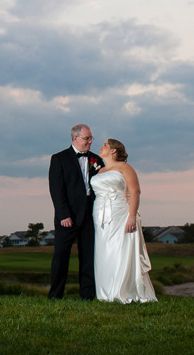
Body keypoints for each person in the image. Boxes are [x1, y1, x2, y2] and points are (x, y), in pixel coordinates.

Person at [91, 138, 157, 303]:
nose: (101, 147)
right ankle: (105, 293)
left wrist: (132, 216)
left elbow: (135, 192)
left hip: (120, 213)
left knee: (119, 249)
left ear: (113, 150)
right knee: (104, 252)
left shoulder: (125, 167)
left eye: (105, 145)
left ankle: (122, 291)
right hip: (100, 214)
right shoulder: (99, 171)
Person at [48, 123, 103, 300]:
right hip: (67, 215)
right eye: (87, 138)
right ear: (75, 138)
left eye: (91, 138)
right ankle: (55, 295)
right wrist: (64, 214)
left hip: (90, 214)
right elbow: (56, 189)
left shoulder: (96, 160)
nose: (90, 142)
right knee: (61, 256)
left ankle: (87, 295)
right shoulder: (59, 158)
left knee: (88, 256)